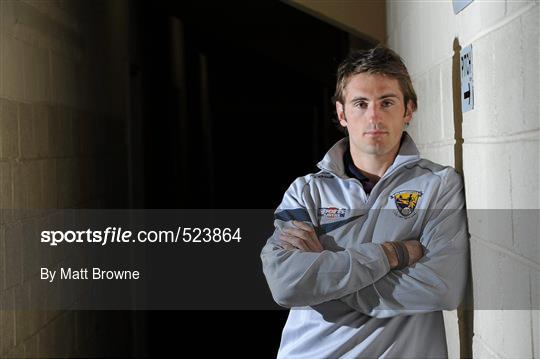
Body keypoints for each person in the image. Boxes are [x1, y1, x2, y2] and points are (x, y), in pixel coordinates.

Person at [260, 45, 469, 358]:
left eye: (387, 102)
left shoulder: (438, 186)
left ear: (408, 110)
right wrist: (393, 253)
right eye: (361, 103)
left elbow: (442, 287)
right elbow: (287, 283)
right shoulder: (306, 193)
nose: (374, 116)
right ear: (342, 113)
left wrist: (325, 279)